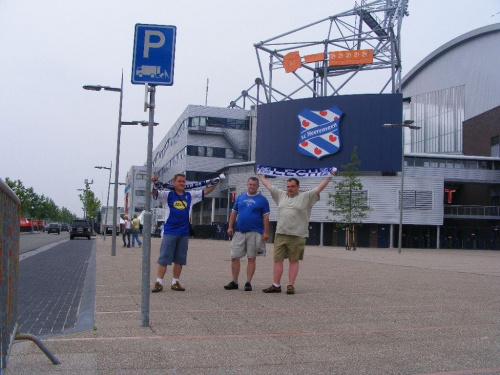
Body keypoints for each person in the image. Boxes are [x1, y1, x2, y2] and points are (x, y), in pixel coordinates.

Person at [257, 168, 336, 295]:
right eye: (288, 186)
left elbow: (319, 189)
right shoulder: (281, 195)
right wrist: (260, 175)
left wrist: (329, 177)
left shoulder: (306, 197)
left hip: (297, 235)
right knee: (278, 260)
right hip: (281, 233)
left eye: (293, 186)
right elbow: (269, 186)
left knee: (294, 261)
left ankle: (290, 285)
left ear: (298, 187)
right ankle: (276, 285)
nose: (290, 188)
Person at [151, 173, 219, 293]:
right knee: (164, 258)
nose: (182, 183)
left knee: (180, 259)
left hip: (184, 232)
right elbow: (154, 193)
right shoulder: (168, 195)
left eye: (183, 181)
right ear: (174, 183)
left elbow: (205, 191)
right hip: (170, 231)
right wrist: (153, 182)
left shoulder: (190, 195)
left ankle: (175, 282)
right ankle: (159, 282)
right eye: (179, 181)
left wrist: (216, 182)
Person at [224, 177, 270, 292]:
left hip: (255, 232)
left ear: (258, 186)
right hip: (240, 231)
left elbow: (266, 217)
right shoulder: (240, 198)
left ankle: (248, 282)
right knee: (234, 256)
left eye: (254, 185)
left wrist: (265, 232)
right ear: (247, 185)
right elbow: (234, 213)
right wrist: (230, 226)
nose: (252, 186)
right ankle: (234, 281)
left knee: (251, 258)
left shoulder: (262, 200)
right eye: (250, 184)